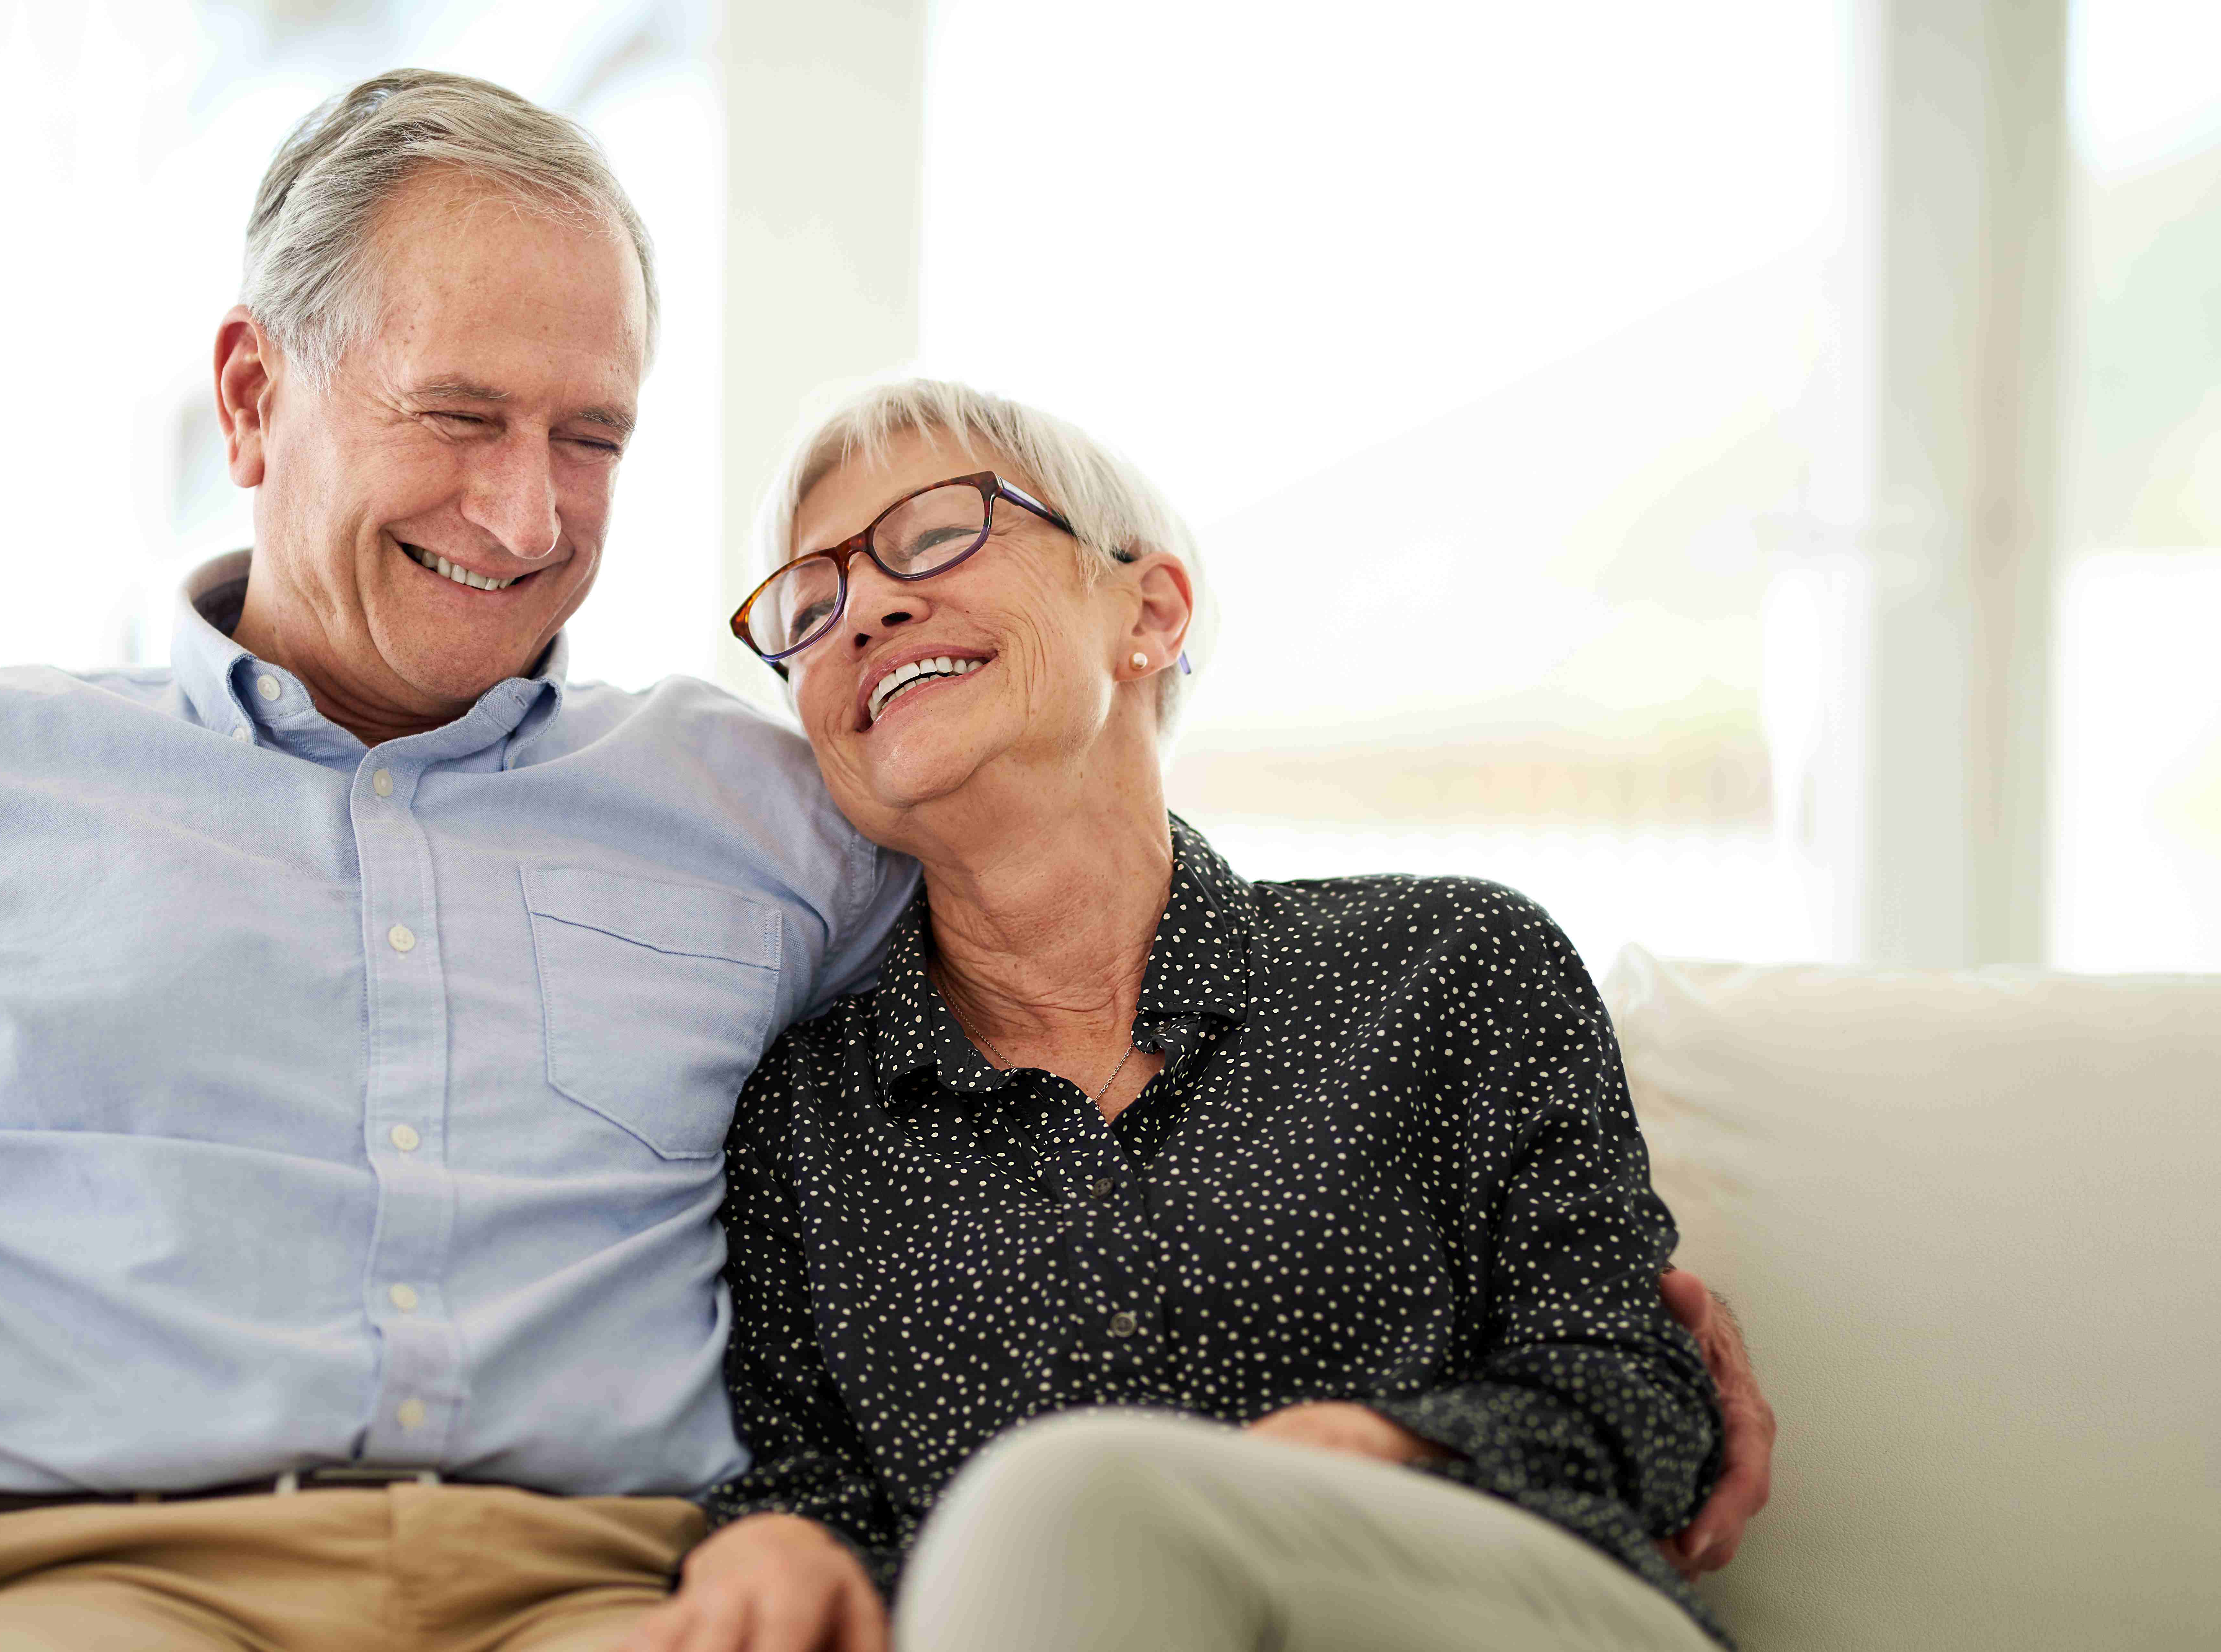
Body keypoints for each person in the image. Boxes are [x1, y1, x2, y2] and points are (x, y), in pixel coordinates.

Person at [0, 71, 919, 1651]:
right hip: (92, 1591)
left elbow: (1043, 1076)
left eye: (590, 437)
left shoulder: (763, 812)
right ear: (249, 398)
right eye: (456, 415)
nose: (522, 517)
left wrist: (812, 1509)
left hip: (604, 1597)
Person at [624, 381, 1747, 1652]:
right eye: (806, 607)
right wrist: (774, 1538)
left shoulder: (1448, 962)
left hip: (1478, 1607)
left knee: (1073, 1491)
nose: (865, 609)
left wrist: (1376, 1446)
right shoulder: (799, 1114)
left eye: (935, 534)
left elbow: (1645, 1394)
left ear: (1146, 612)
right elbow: (812, 1490)